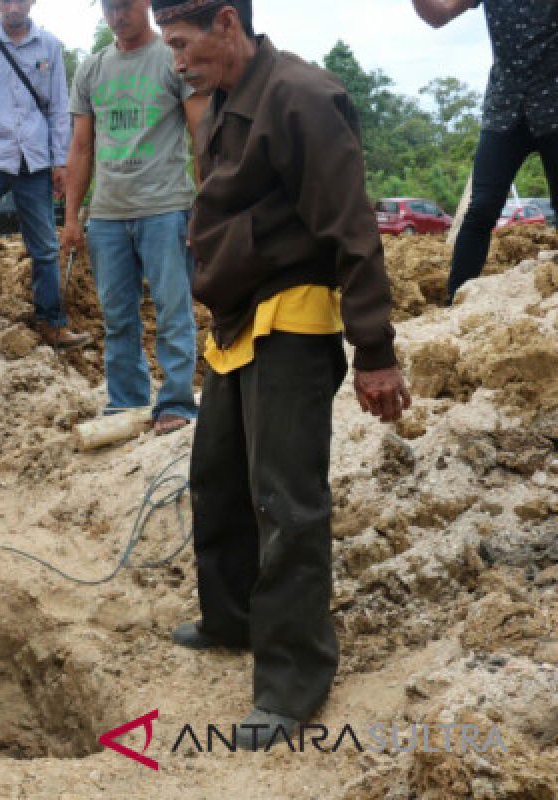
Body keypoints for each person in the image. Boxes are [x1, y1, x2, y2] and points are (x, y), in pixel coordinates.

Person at [153, 0, 413, 749]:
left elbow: (351, 225)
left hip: (292, 321)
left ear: (227, 23)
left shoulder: (302, 96)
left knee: (287, 501)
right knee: (219, 479)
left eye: (183, 43)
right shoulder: (232, 97)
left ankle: (293, 681)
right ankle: (231, 618)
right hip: (238, 319)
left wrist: (375, 350)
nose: (177, 60)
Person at [62, 0, 205, 433]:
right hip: (107, 214)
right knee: (117, 315)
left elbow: (201, 132)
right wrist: (72, 216)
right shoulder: (92, 69)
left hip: (165, 207)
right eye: (108, 7)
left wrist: (205, 206)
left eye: (124, 5)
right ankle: (125, 402)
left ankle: (177, 401)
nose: (117, 16)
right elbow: (82, 146)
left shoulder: (172, 58)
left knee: (172, 308)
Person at [0, 0, 91, 350]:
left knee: (44, 247)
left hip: (35, 161)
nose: (13, 6)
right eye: (6, 0)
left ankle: (51, 323)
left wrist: (60, 163)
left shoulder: (50, 46)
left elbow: (58, 108)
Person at [410, 1, 558, 302]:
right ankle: (457, 302)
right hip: (505, 109)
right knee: (481, 210)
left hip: (554, 106)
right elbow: (438, 15)